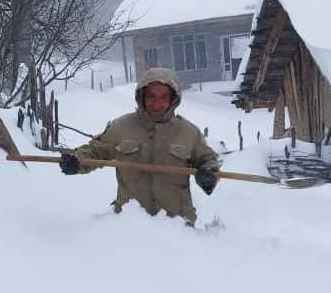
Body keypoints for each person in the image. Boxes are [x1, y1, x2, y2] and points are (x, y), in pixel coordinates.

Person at [59, 67, 220, 224]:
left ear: (173, 99)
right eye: (151, 96)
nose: (157, 104)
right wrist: (76, 161)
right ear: (141, 96)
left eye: (164, 97)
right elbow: (95, 151)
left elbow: (208, 160)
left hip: (178, 226)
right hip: (130, 227)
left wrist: (209, 175)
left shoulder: (188, 132)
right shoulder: (121, 127)